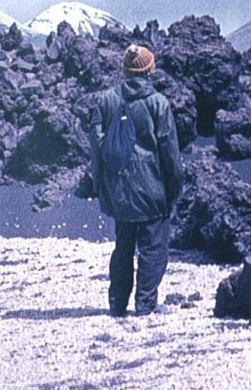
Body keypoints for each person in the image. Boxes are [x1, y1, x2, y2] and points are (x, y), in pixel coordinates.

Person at [89, 44, 182, 317]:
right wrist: (174, 189)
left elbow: (96, 147)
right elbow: (170, 152)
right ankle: (145, 305)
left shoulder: (105, 101)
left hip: (119, 188)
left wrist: (101, 186)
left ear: (125, 69)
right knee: (153, 249)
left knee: (123, 247)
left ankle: (117, 305)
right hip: (153, 189)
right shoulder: (158, 103)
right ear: (150, 69)